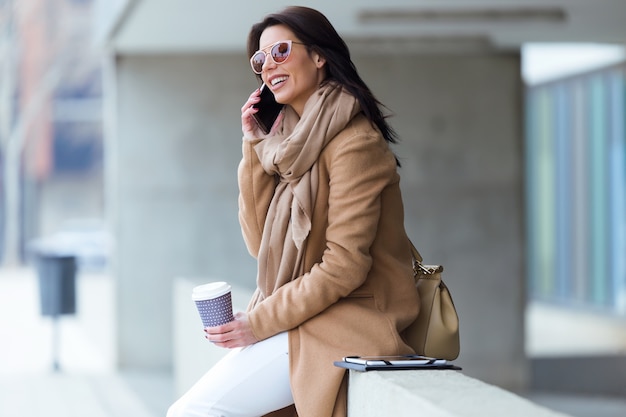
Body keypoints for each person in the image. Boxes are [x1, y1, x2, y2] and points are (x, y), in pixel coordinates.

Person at [167, 6, 420, 417]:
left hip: (350, 321)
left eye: (281, 51)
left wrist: (258, 322)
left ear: (319, 56)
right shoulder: (285, 147)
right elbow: (257, 241)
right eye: (261, 59)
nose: (269, 66)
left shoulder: (355, 143)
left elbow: (344, 266)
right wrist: (253, 148)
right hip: (306, 317)